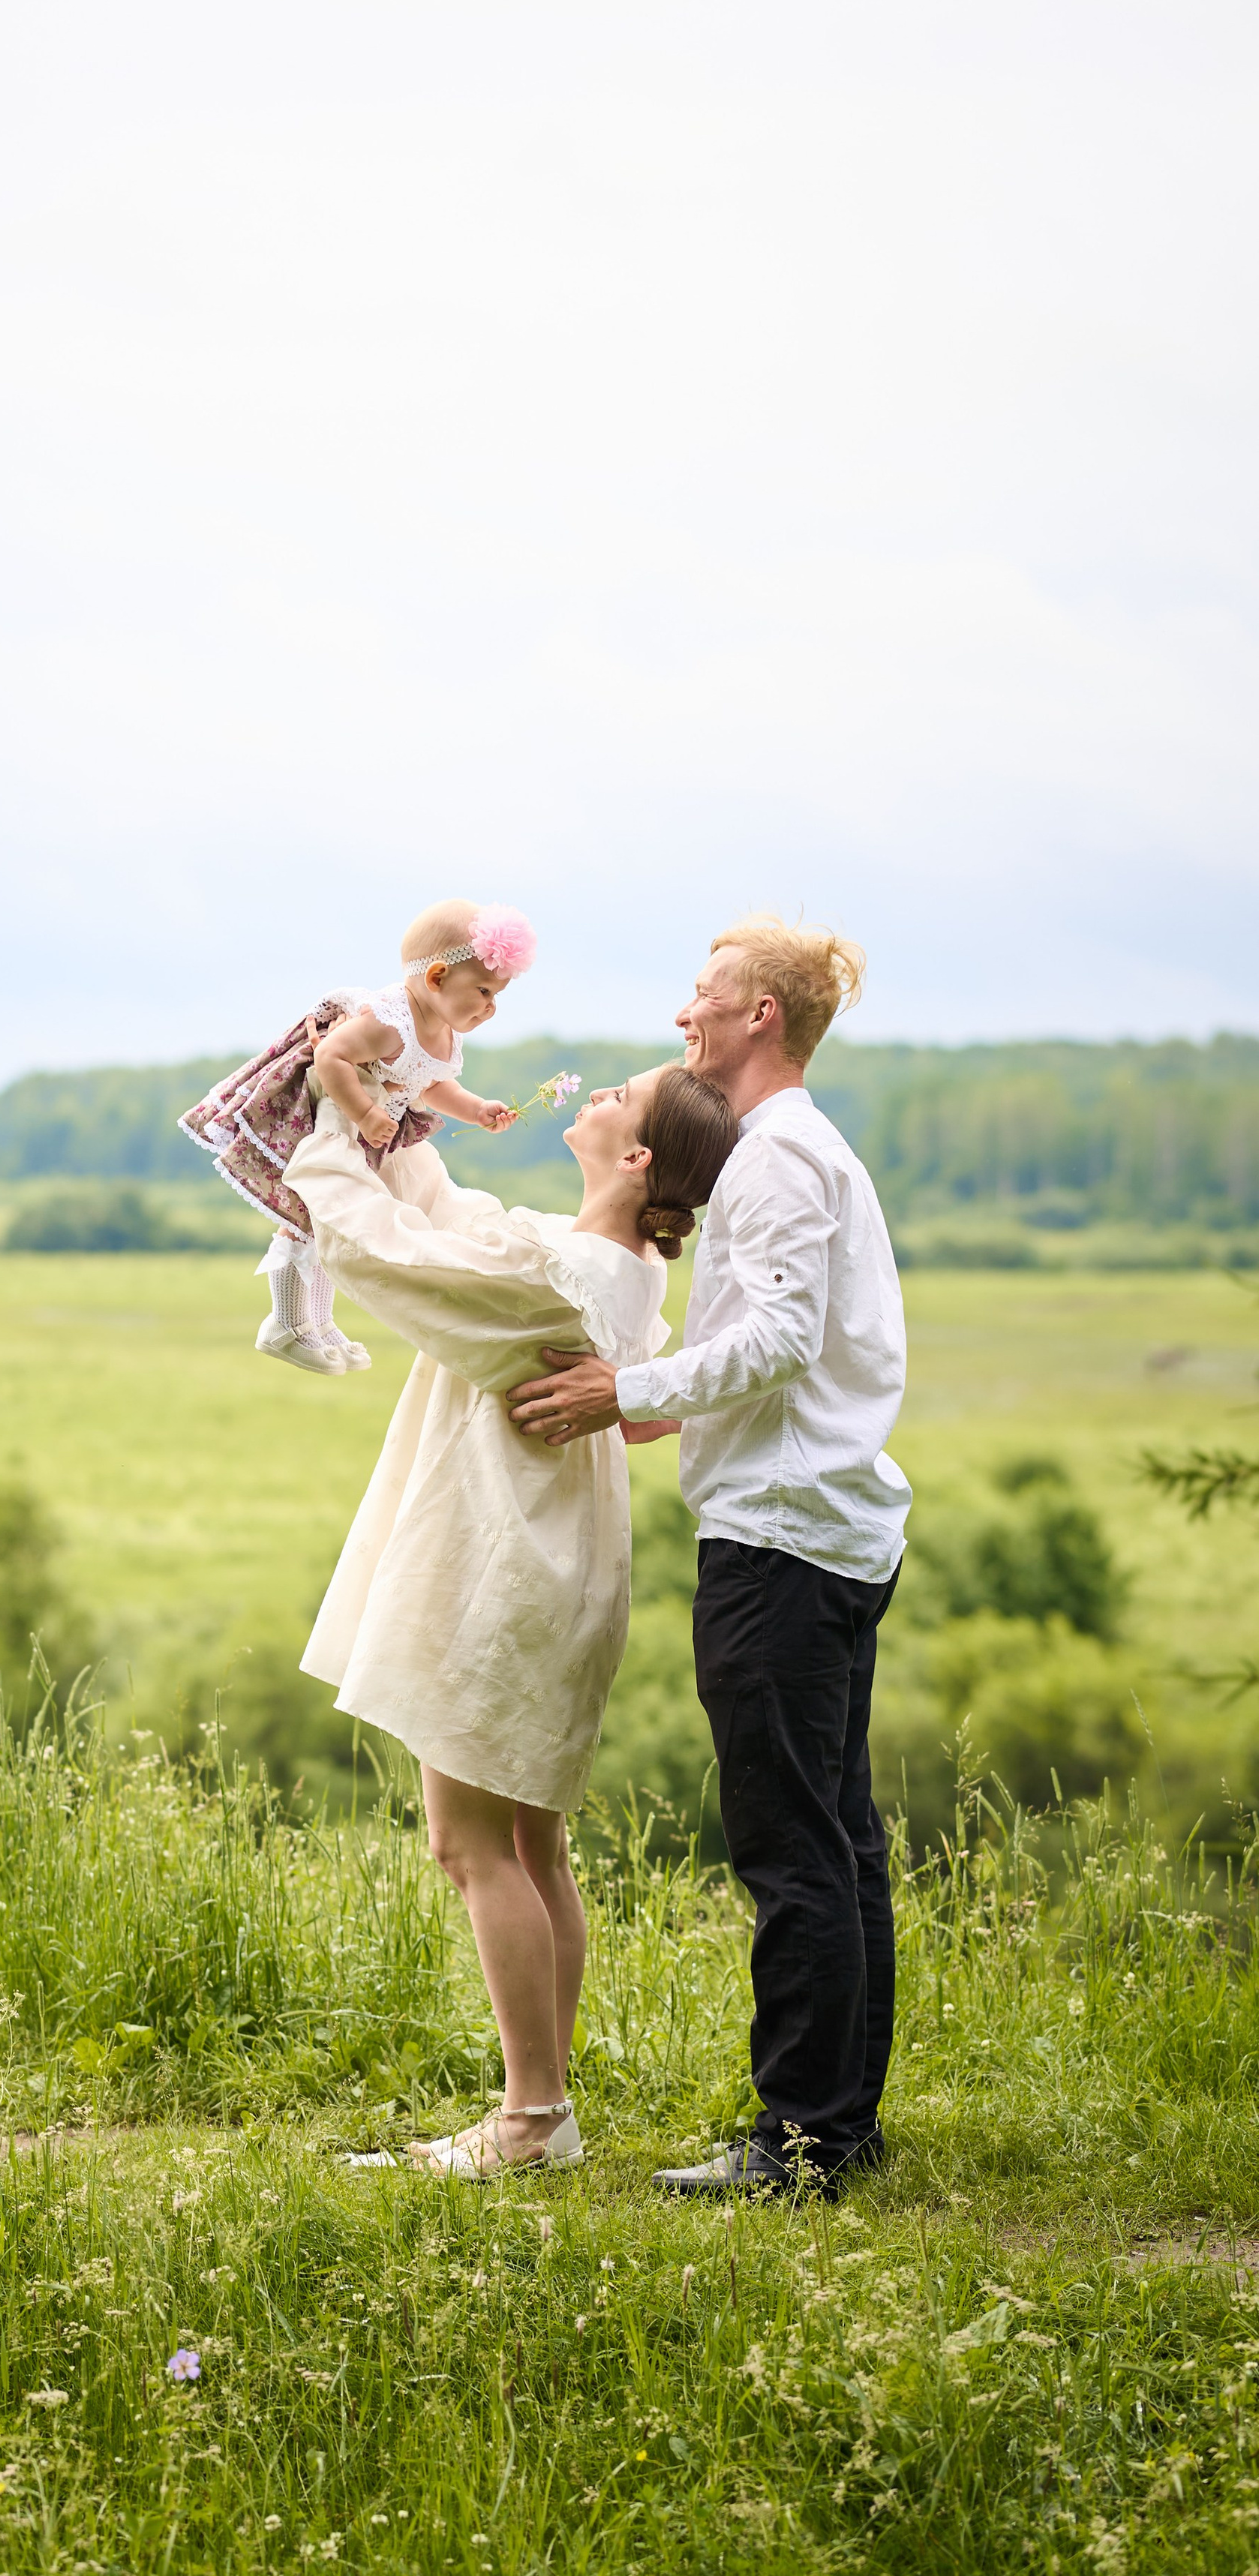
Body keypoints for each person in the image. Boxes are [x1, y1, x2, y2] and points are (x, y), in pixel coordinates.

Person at [509, 917, 910, 2197]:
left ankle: (797, 2146)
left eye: (704, 1000)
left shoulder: (779, 1160)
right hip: (825, 1524)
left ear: (763, 1021)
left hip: (784, 1540)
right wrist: (670, 1401)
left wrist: (629, 1381)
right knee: (839, 1840)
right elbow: (792, 1348)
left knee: (792, 1849)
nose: (685, 1019)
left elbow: (784, 1338)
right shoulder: (795, 1154)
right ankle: (841, 2125)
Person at [287, 1061, 741, 2178]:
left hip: (507, 1568)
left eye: (618, 1097)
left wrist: (320, 1147)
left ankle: (532, 2120)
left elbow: (393, 1254)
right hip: (552, 1563)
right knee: (532, 1843)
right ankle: (544, 2107)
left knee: (471, 1842)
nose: (593, 1094)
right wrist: (380, 1108)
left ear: (636, 1160)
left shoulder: (563, 1271)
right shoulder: (608, 1266)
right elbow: (449, 1217)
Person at [177, 899, 527, 1374]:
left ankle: (316, 1322)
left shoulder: (443, 1030)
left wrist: (475, 1109)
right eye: (484, 990)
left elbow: (433, 1084)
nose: (490, 1008)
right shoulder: (388, 1020)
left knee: (336, 1223)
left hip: (369, 1131)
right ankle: (286, 1321)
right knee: (314, 1213)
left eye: (497, 996)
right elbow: (331, 1059)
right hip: (331, 1118)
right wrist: (363, 1113)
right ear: (437, 977)